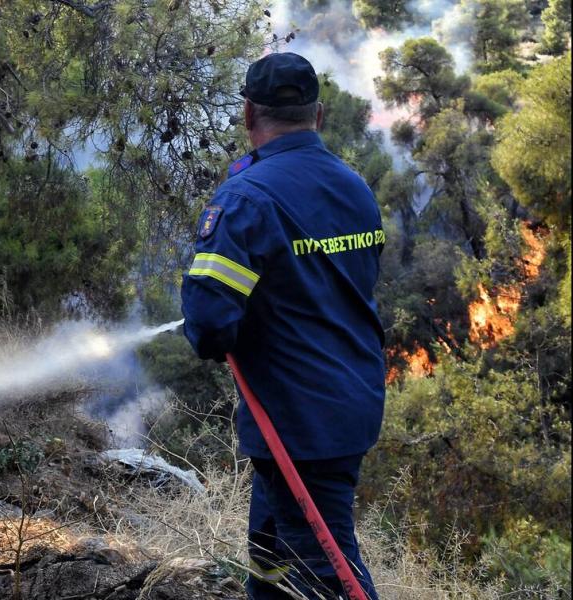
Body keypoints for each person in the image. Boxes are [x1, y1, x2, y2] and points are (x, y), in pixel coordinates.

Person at [180, 52, 385, 599]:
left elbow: (206, 321)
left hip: (298, 421)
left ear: (248, 114)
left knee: (324, 571)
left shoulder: (246, 199)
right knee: (271, 556)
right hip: (349, 401)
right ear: (318, 116)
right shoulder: (354, 186)